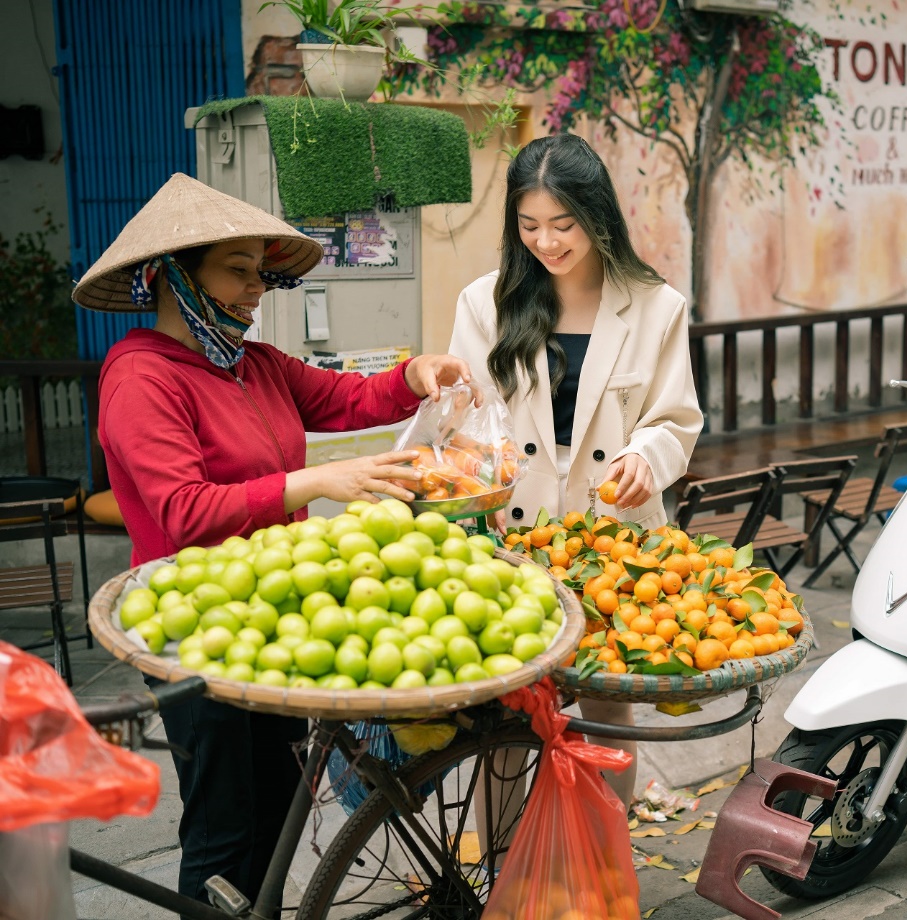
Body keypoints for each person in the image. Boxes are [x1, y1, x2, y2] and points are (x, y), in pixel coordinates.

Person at [74, 172, 473, 914]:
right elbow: (184, 511)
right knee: (225, 830)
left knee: (280, 813)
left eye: (260, 272)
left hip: (279, 612)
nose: (255, 288)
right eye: (236, 269)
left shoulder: (254, 365)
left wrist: (416, 374)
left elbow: (347, 398)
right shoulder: (140, 376)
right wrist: (315, 483)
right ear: (173, 275)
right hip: (193, 627)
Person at [449, 134, 703, 806]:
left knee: (607, 705)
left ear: (596, 216)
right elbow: (465, 421)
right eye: (529, 226)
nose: (547, 242)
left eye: (563, 225)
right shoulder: (485, 302)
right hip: (512, 532)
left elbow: (676, 420)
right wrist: (479, 473)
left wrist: (646, 457)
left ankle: (604, 861)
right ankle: (498, 872)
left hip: (613, 534)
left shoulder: (656, 306)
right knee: (505, 712)